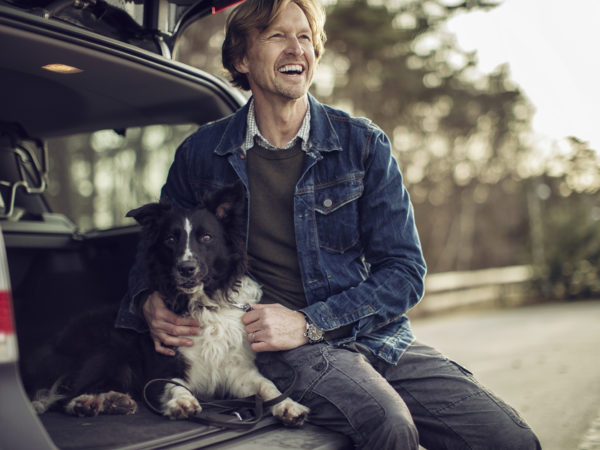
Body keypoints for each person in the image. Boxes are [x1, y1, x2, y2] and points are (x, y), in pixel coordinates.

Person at [117, 0, 541, 448]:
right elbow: (158, 246)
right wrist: (145, 302)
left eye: (305, 37)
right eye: (277, 36)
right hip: (284, 351)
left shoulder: (362, 143)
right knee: (390, 425)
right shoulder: (200, 153)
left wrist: (310, 321)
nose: (296, 48)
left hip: (374, 337)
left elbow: (404, 272)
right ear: (241, 58)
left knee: (510, 439)